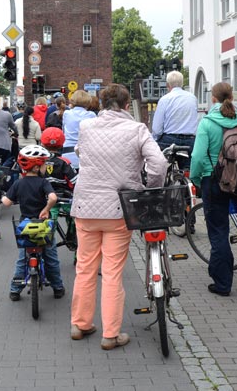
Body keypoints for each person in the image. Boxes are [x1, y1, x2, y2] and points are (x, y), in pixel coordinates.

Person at [69, 83, 167, 350]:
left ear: (100, 104)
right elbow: (158, 164)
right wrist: (149, 188)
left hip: (86, 207)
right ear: (126, 105)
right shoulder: (137, 129)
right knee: (112, 272)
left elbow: (79, 152)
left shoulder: (87, 127)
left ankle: (80, 324)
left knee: (85, 267)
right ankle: (110, 334)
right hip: (119, 209)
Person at [189, 81, 237, 297]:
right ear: (232, 97)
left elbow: (198, 157)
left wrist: (196, 180)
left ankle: (223, 284)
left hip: (215, 181)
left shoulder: (207, 123)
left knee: (219, 232)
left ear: (213, 99)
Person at [2, 145, 64, 301]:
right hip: (43, 226)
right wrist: (46, 209)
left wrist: (4, 194)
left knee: (23, 258)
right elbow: (53, 198)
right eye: (44, 164)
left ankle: (15, 290)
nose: (45, 167)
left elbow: (7, 203)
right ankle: (57, 287)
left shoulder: (18, 184)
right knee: (51, 257)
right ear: (37, 167)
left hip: (26, 227)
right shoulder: (43, 183)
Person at [151, 70, 199, 169]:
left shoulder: (165, 99)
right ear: (182, 83)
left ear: (168, 85)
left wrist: (154, 140)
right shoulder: (192, 98)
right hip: (190, 140)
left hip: (169, 140)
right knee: (188, 169)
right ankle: (187, 179)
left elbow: (157, 129)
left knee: (160, 168)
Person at [61, 90, 96, 169]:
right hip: (85, 154)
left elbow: (63, 130)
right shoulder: (91, 115)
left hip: (67, 152)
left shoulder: (67, 114)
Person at [40, 127, 78, 197]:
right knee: (68, 208)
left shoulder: (40, 161)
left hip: (46, 196)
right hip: (64, 196)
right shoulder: (64, 162)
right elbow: (75, 181)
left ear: (42, 144)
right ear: (62, 143)